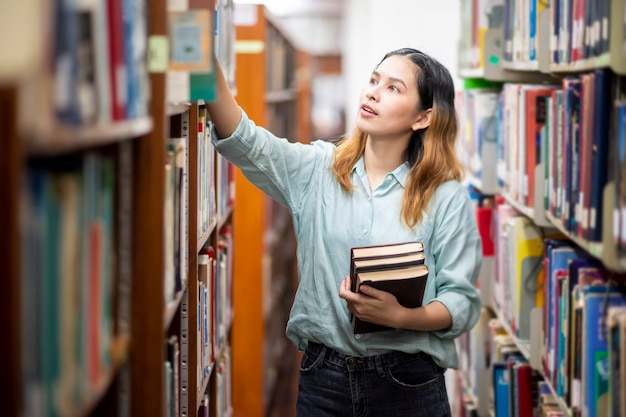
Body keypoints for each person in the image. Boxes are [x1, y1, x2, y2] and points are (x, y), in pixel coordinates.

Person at [207, 47, 482, 416]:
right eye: (373, 80)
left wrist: (403, 318)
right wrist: (204, 58)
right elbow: (246, 142)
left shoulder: (445, 197)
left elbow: (460, 301)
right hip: (323, 380)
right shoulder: (317, 170)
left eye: (393, 88)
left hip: (409, 384)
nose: (372, 92)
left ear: (423, 117)